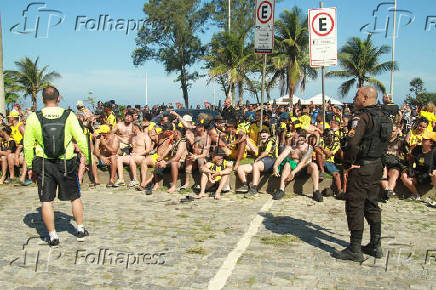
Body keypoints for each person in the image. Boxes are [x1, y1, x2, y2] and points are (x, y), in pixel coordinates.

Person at [23, 86, 91, 246]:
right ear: (59, 98)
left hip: (44, 163)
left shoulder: (34, 117)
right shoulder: (68, 115)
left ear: (42, 100)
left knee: (46, 200)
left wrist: (30, 166)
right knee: (75, 196)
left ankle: (53, 235)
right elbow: (81, 138)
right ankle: (80, 229)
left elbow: (27, 145)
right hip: (66, 161)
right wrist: (87, 158)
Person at [334, 86, 392, 262]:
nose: (354, 98)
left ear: (365, 97)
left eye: (357, 95)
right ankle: (375, 245)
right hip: (376, 166)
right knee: (371, 203)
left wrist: (348, 163)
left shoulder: (362, 117)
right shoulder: (384, 117)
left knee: (355, 204)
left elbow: (352, 144)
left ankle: (355, 248)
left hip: (361, 167)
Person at [400, 131, 436, 200]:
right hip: (418, 172)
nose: (422, 140)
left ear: (431, 143)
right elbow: (411, 159)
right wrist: (410, 168)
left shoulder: (434, 152)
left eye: (425, 139)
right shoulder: (417, 148)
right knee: (404, 175)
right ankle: (416, 195)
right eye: (422, 138)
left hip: (429, 175)